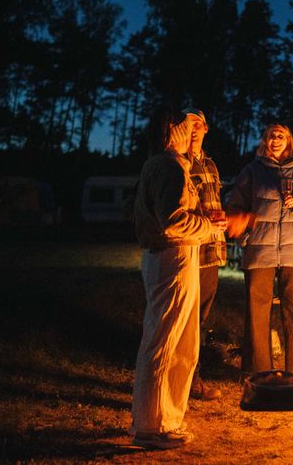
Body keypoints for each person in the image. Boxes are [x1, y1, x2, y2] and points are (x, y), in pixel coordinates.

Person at [131, 108, 226, 450]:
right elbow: (172, 221)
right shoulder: (167, 166)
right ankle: (148, 427)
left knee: (184, 343)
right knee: (163, 342)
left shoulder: (172, 166)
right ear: (173, 132)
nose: (191, 134)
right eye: (186, 128)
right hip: (171, 257)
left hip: (181, 257)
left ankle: (169, 419)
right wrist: (210, 227)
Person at [226, 123, 293, 375]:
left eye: (281, 136)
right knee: (257, 312)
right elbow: (234, 206)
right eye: (271, 136)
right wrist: (247, 237)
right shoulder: (253, 171)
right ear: (265, 142)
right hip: (260, 251)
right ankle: (257, 371)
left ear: (289, 141)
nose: (276, 139)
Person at [182, 108, 225, 401]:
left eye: (198, 124)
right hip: (189, 247)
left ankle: (193, 378)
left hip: (211, 249)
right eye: (188, 125)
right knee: (184, 317)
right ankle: (180, 380)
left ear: (206, 129)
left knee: (201, 319)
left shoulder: (210, 164)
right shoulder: (178, 162)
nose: (194, 129)